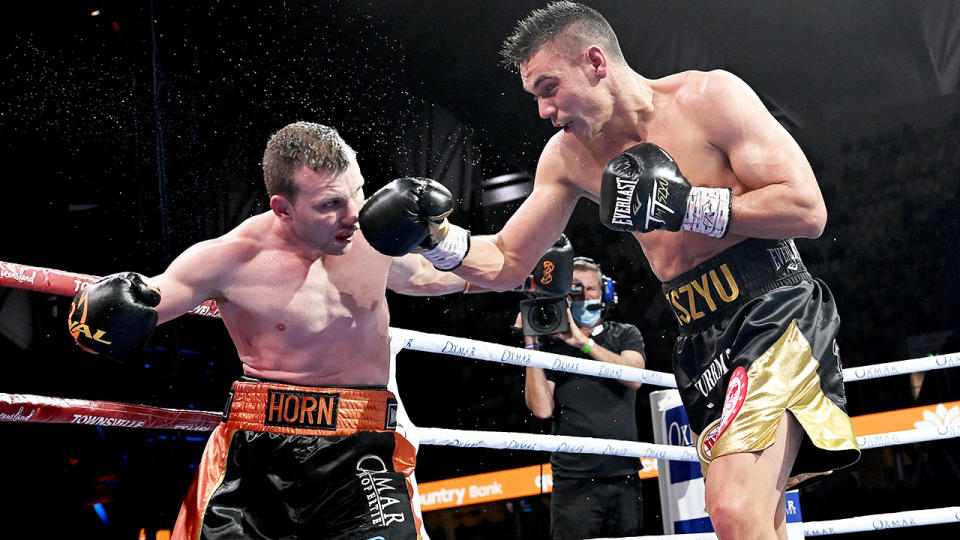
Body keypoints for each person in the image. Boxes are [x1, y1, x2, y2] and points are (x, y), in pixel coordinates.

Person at [357, 2, 861, 538]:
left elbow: (807, 211)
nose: (545, 110)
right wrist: (437, 239)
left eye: (550, 87)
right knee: (763, 518)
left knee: (734, 510)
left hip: (771, 306)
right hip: (697, 335)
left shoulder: (709, 98)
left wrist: (687, 205)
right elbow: (507, 260)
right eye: (536, 96)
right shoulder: (568, 158)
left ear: (596, 62)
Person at [67, 121, 477, 540]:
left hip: (361, 447)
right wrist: (104, 317)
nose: (354, 214)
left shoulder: (374, 234)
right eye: (330, 203)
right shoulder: (230, 258)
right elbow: (136, 308)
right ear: (282, 208)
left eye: (358, 191)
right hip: (256, 451)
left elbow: (434, 276)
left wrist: (466, 249)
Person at [522, 256, 647, 540]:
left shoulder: (625, 334)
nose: (585, 295)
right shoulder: (552, 347)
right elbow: (541, 409)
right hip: (573, 481)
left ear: (605, 293)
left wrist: (584, 344)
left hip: (624, 474)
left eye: (591, 289)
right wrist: (531, 343)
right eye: (576, 289)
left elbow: (635, 377)